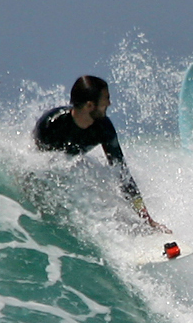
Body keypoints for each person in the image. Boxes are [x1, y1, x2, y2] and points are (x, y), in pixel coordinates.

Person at [33, 75, 170, 233]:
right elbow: (37, 163)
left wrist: (147, 220)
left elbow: (123, 174)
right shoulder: (52, 125)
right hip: (50, 168)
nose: (109, 103)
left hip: (71, 167)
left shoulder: (104, 128)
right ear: (90, 105)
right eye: (106, 98)